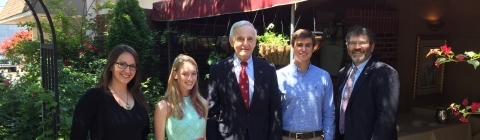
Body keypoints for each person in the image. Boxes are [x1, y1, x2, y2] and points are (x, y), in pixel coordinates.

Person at [206, 20, 282, 140]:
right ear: (231, 41)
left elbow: (275, 111)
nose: (245, 43)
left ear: (255, 42)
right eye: (240, 39)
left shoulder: (268, 69)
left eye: (250, 39)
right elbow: (211, 111)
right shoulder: (218, 69)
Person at [334, 25, 400, 140]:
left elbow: (386, 119)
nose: (357, 47)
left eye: (362, 43)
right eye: (352, 43)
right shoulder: (343, 73)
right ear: (347, 46)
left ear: (372, 46)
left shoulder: (385, 73)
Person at [70, 44, 150, 139]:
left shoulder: (138, 96)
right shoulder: (94, 97)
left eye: (132, 66)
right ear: (111, 66)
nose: (128, 70)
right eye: (122, 64)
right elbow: (77, 136)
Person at [277, 29, 335, 140]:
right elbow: (273, 113)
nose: (303, 49)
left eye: (308, 45)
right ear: (293, 47)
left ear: (314, 48)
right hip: (287, 137)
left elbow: (329, 112)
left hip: (316, 137)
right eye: (299, 45)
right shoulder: (279, 76)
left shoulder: (324, 76)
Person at [154, 54, 208, 140]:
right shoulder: (164, 107)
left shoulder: (203, 104)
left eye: (193, 74)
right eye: (185, 74)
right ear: (175, 75)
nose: (190, 78)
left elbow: (204, 137)